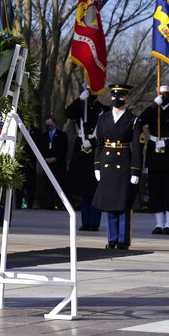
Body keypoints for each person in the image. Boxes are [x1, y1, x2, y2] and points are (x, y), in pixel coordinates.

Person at [92, 83, 143, 250]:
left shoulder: (134, 120)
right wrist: (97, 166)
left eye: (120, 96)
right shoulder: (103, 118)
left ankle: (123, 240)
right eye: (114, 96)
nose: (116, 99)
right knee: (109, 204)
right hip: (107, 164)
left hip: (124, 164)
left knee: (123, 204)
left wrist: (136, 170)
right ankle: (112, 238)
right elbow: (99, 145)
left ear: (127, 99)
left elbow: (138, 147)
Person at [137, 84, 169, 235]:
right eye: (161, 94)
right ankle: (159, 223)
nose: (163, 97)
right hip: (154, 153)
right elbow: (140, 121)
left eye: (166, 94)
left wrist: (168, 142)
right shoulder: (153, 111)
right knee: (155, 190)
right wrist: (153, 105)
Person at [65, 90, 106, 231]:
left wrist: (93, 142)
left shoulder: (103, 110)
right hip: (81, 148)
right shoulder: (81, 108)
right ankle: (86, 221)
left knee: (95, 188)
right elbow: (68, 113)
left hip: (96, 147)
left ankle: (94, 222)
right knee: (83, 188)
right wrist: (79, 99)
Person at [35, 117, 68, 210]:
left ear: (54, 124)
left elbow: (64, 149)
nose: (48, 125)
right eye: (47, 123)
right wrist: (45, 159)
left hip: (59, 165)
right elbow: (41, 149)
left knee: (60, 184)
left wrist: (55, 158)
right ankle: (50, 204)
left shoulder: (62, 135)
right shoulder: (44, 136)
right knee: (48, 185)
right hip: (47, 164)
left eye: (50, 123)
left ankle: (60, 204)